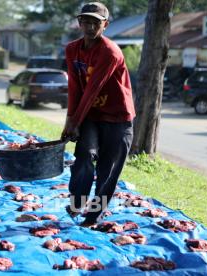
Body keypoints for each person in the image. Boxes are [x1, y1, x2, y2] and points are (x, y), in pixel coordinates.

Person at [61, 2, 135, 227]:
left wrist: (75, 122)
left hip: (118, 117)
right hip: (91, 115)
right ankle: (77, 203)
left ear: (105, 25)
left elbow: (93, 89)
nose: (90, 26)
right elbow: (75, 87)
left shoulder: (110, 51)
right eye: (86, 21)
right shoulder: (72, 49)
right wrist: (70, 121)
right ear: (79, 22)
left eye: (96, 22)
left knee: (107, 170)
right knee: (84, 156)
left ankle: (93, 216)